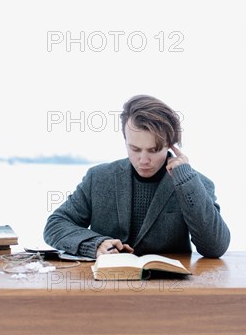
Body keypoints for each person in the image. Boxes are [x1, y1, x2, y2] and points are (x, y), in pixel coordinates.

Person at [43, 95, 230, 258]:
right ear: (125, 139)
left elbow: (215, 247)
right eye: (135, 149)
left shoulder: (194, 184)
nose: (143, 160)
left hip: (169, 292)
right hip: (106, 287)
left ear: (170, 145)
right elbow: (55, 225)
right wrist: (94, 244)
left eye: (154, 150)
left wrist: (186, 181)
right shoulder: (98, 178)